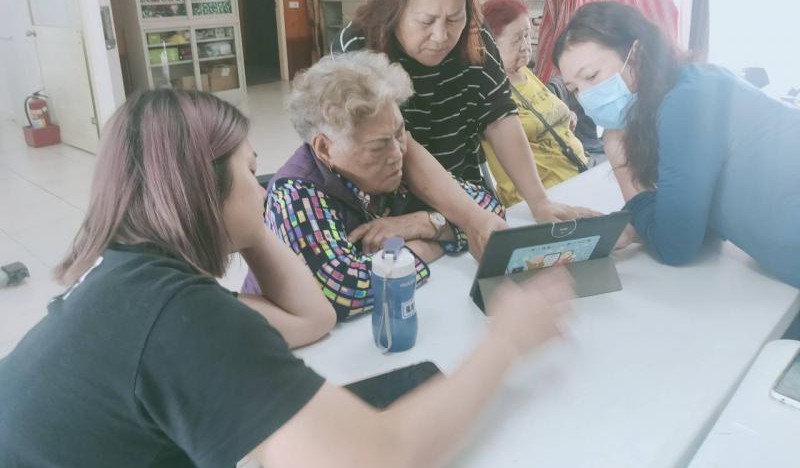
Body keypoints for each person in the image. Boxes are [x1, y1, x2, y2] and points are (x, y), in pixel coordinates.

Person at [0, 88, 573, 467]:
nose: (267, 186)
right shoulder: (176, 316)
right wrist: (507, 342)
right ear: (204, 189)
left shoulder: (132, 274)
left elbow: (311, 319)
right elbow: (386, 455)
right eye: (251, 172)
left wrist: (245, 225)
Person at [333, 0, 595, 224]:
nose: (441, 36)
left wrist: (539, 201)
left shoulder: (474, 36)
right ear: (393, 9)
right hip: (387, 208)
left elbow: (500, 117)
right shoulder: (359, 47)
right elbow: (400, 145)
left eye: (454, 18)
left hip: (464, 190)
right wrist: (469, 220)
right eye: (426, 21)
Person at [553, 1, 800, 287]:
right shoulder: (691, 84)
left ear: (637, 53)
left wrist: (622, 165)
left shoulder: (684, 104)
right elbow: (698, 218)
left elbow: (676, 245)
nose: (586, 96)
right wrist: (635, 226)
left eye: (591, 76)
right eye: (574, 89)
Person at [242, 52, 504, 321]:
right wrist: (428, 247)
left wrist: (427, 223)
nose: (397, 153)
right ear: (325, 148)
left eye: (400, 132)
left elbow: (488, 211)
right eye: (378, 145)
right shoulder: (296, 194)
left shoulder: (398, 164)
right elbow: (344, 289)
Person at [480, 0, 589, 207]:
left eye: (527, 35)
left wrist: (565, 117)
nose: (525, 46)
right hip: (543, 198)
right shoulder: (488, 90)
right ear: (489, 44)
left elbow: (544, 112)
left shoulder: (524, 73)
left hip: (578, 175)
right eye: (516, 40)